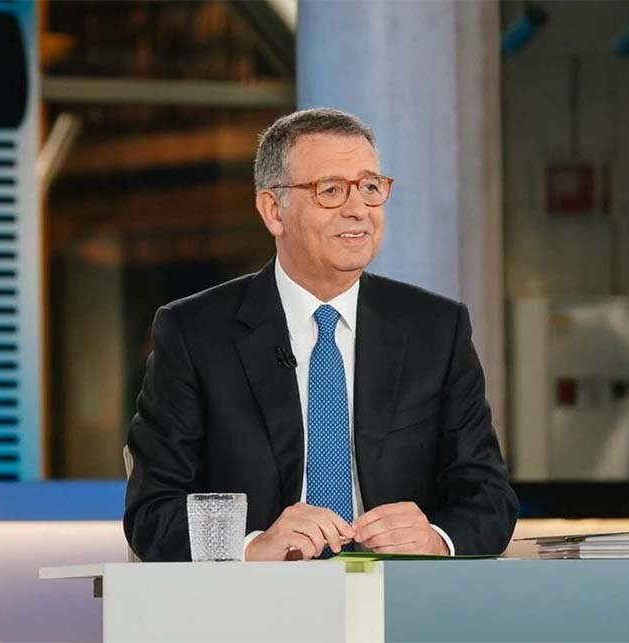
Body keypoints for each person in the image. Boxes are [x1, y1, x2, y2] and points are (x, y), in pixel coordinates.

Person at [124, 108, 518, 562]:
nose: (359, 210)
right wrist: (252, 548)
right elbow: (153, 510)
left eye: (370, 188)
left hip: (400, 595)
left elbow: (488, 496)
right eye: (330, 191)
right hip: (258, 600)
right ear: (274, 211)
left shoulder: (436, 329)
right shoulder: (195, 333)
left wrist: (435, 539)